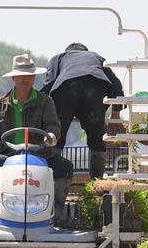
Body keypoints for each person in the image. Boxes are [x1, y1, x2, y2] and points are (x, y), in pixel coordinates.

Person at [0, 53, 74, 226]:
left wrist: (51, 136)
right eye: (21, 75)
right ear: (14, 77)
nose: (25, 79)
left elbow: (53, 125)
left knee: (65, 167)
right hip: (9, 155)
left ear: (34, 78)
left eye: (28, 76)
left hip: (41, 155)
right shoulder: (0, 104)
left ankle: (57, 214)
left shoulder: (45, 102)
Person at [40, 43, 126, 179]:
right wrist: (116, 112)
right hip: (95, 87)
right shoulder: (97, 57)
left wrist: (41, 111)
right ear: (86, 52)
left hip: (65, 88)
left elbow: (48, 85)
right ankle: (96, 185)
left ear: (67, 52)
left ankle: (51, 180)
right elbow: (116, 84)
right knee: (97, 141)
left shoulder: (58, 58)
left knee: (56, 136)